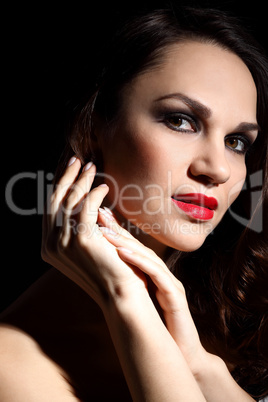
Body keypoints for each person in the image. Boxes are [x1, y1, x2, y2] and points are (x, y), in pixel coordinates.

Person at [0, 3, 267, 401]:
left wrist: (197, 364)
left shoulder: (224, 327)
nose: (218, 169)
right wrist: (124, 295)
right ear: (92, 129)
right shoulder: (10, 368)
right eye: (181, 120)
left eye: (236, 142)